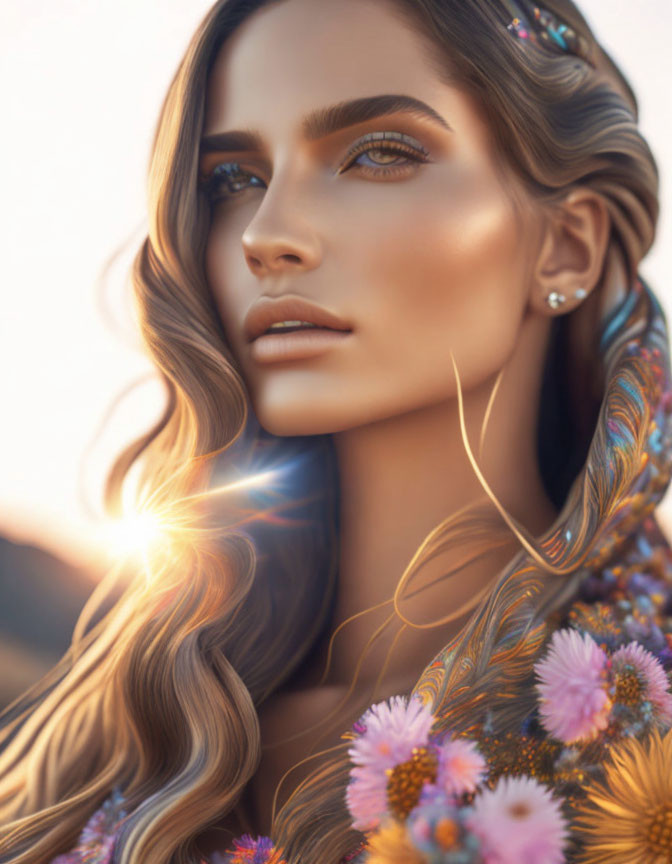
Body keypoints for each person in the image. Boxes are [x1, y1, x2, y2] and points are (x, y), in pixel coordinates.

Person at [1, 0, 670, 861]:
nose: (267, 236)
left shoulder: (638, 734)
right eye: (234, 180)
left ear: (567, 247)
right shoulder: (147, 719)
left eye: (378, 155)